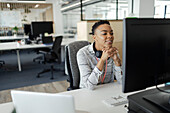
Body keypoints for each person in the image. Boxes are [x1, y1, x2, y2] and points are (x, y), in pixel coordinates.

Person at [77, 20, 122, 90]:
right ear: (94, 37)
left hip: (107, 90)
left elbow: (121, 81)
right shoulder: (83, 53)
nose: (110, 36)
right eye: (104, 33)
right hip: (88, 93)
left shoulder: (113, 52)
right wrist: (102, 60)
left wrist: (117, 62)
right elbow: (88, 86)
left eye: (111, 33)